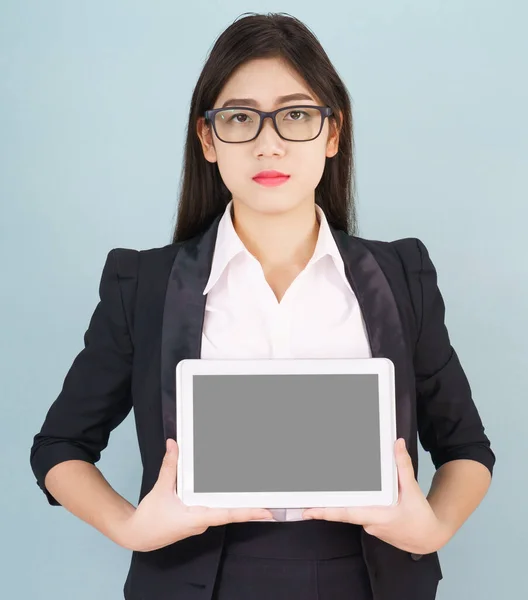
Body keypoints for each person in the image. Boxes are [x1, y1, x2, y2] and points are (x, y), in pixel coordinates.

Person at [30, 12, 495, 600]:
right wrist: (130, 528)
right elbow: (59, 446)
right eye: (240, 118)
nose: (268, 142)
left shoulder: (402, 274)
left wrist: (433, 527)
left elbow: (465, 448)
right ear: (208, 138)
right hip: (199, 582)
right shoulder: (142, 282)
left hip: (372, 580)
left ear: (332, 134)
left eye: (297, 114)